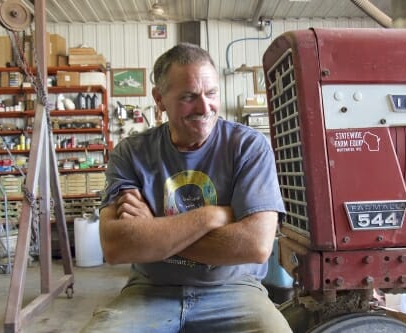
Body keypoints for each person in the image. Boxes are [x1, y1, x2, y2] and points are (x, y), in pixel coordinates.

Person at [81, 43, 292, 333]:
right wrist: (211, 217)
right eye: (189, 97)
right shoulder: (131, 153)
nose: (205, 108)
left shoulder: (248, 147)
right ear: (159, 99)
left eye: (212, 93)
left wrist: (153, 232)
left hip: (234, 288)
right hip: (150, 289)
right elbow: (116, 246)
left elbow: (255, 245)